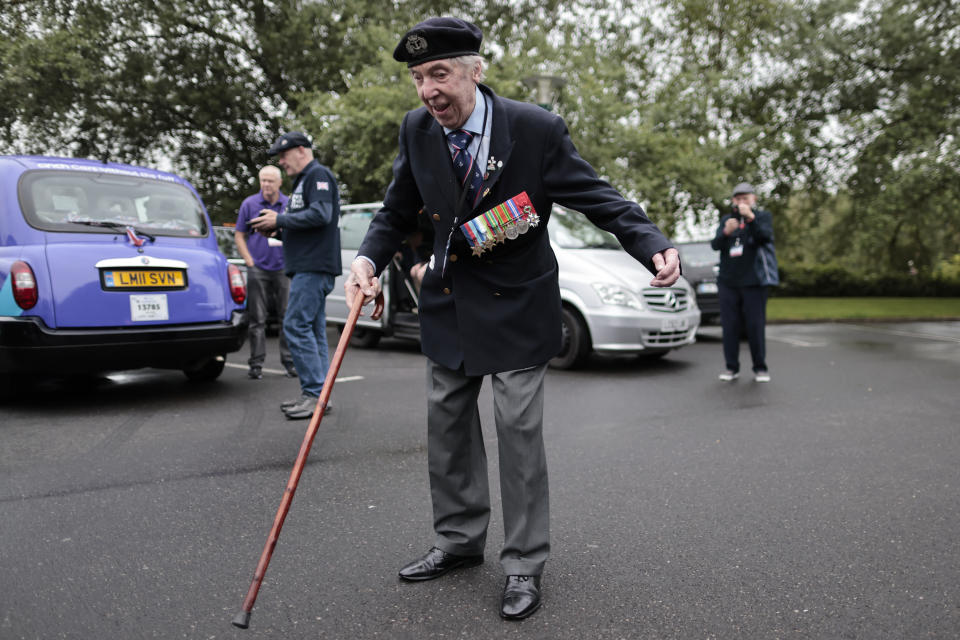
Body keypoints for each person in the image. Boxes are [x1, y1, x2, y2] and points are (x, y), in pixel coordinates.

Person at [344, 17, 681, 621]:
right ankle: (457, 541)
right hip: (450, 303)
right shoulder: (417, 130)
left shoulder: (535, 129)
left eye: (439, 74)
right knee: (446, 427)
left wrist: (650, 242)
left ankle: (524, 563)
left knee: (517, 433)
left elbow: (596, 195)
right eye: (419, 78)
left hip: (519, 304)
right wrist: (366, 261)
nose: (427, 91)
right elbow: (396, 211)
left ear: (477, 70)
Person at [249, 132, 342, 419]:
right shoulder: (304, 180)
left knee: (296, 326)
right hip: (308, 266)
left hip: (313, 267)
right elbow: (308, 220)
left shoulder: (317, 175)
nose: (281, 161)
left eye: (284, 154)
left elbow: (321, 214)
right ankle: (319, 397)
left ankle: (314, 396)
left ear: (301, 150)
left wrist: (280, 219)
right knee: (312, 331)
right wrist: (278, 228)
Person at [710, 181, 776, 382]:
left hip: (754, 281)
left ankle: (760, 368)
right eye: (738, 199)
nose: (741, 202)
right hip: (728, 281)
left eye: (745, 198)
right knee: (729, 326)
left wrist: (751, 218)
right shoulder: (727, 220)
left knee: (755, 326)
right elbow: (715, 245)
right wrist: (726, 232)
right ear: (733, 201)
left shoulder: (762, 217)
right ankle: (731, 368)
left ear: (753, 199)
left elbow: (765, 237)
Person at [235, 165, 295, 380]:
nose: (266, 185)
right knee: (257, 319)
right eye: (263, 181)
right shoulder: (249, 204)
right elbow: (240, 234)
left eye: (270, 181)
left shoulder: (288, 205)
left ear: (279, 182)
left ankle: (289, 363)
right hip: (258, 268)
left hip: (284, 268)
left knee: (287, 317)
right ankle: (256, 365)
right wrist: (249, 261)